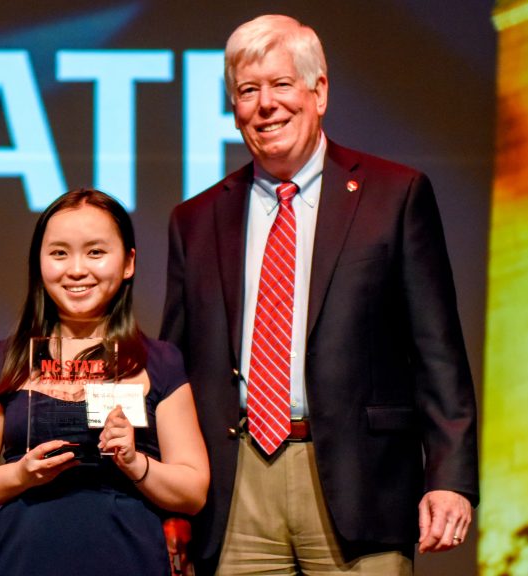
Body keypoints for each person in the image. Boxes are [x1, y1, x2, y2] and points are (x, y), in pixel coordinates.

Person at [159, 14, 479, 575]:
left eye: (282, 85)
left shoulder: (394, 195)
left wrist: (450, 479)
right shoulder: (196, 219)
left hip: (362, 484)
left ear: (319, 91)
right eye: (247, 91)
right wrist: (170, 498)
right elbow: (176, 370)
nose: (265, 105)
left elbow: (438, 353)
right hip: (235, 494)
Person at [0, 189, 210, 576]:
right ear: (39, 262)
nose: (76, 270)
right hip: (24, 559)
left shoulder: (160, 362)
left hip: (128, 559)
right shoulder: (9, 359)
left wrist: (135, 463)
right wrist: (21, 474)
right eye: (59, 253)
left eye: (95, 252)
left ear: (128, 263)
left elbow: (193, 491)